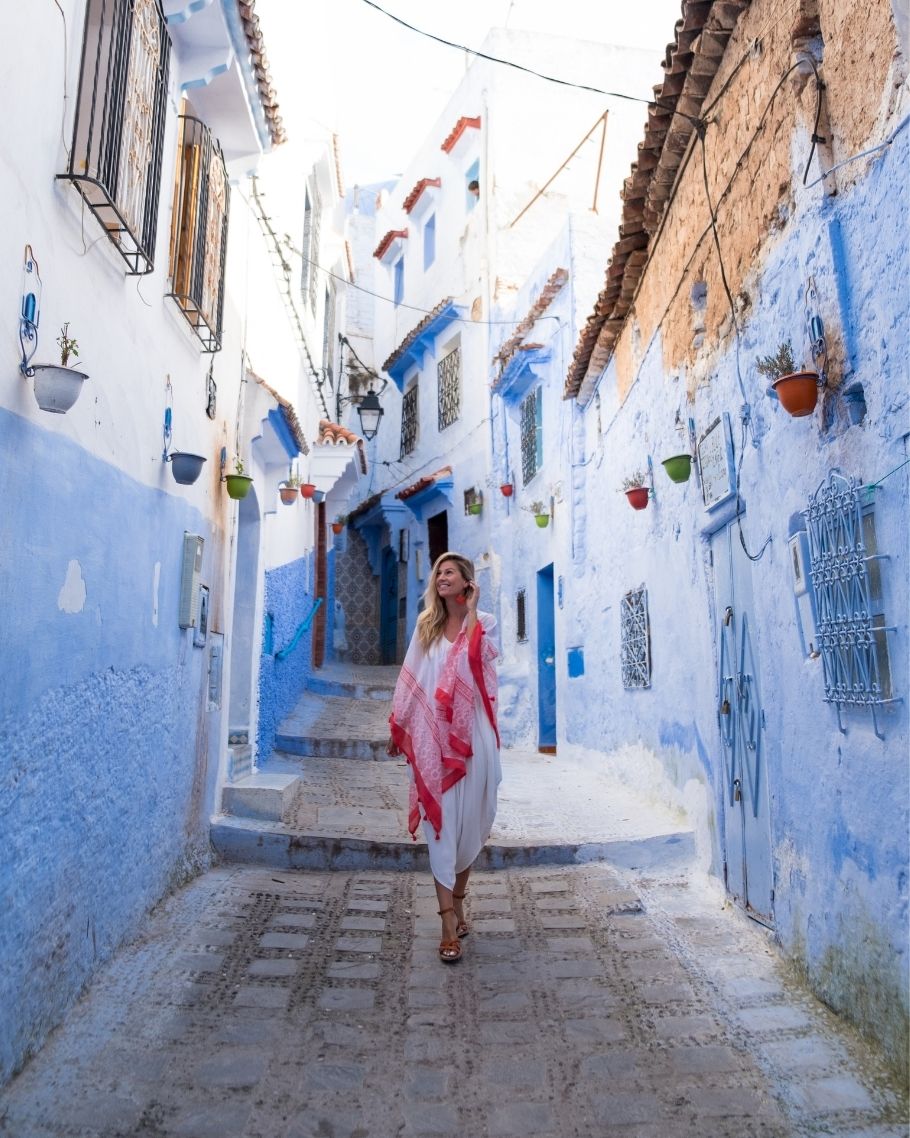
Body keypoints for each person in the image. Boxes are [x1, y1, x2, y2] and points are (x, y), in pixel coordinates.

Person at [388, 552, 501, 964]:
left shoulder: (484, 624)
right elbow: (411, 677)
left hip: (475, 738)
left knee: (471, 825)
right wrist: (399, 725)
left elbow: (478, 663)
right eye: (438, 572)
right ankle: (447, 924)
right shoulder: (426, 627)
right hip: (436, 740)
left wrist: (470, 613)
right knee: (442, 827)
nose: (441, 577)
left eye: (450, 572)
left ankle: (458, 901)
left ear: (467, 582)